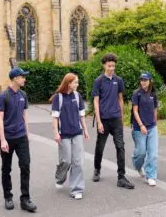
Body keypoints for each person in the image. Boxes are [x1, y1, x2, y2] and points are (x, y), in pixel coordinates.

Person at [0, 67, 38, 212]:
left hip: (21, 137)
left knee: (25, 165)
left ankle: (25, 199)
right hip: (7, 138)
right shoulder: (4, 96)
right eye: (22, 77)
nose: (24, 79)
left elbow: (24, 114)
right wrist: (2, 140)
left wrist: (27, 133)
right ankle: (8, 196)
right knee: (6, 168)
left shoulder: (23, 95)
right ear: (15, 79)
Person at [91, 53, 135, 189]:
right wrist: (98, 121)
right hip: (103, 120)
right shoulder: (98, 81)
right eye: (109, 66)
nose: (111, 68)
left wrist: (121, 118)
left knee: (120, 147)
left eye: (113, 66)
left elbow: (120, 99)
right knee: (100, 147)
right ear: (104, 65)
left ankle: (121, 177)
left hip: (116, 119)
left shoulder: (118, 80)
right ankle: (97, 169)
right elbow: (96, 102)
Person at [51, 73, 89, 199]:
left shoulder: (77, 96)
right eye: (75, 82)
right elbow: (55, 117)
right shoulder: (58, 97)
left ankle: (76, 189)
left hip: (77, 133)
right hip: (64, 134)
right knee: (66, 161)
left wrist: (85, 130)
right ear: (68, 83)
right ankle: (59, 178)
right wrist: (56, 133)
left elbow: (81, 115)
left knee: (78, 162)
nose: (77, 85)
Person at [131, 72, 159, 187]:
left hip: (152, 127)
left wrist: (155, 123)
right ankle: (137, 164)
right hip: (139, 128)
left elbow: (155, 110)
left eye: (145, 80)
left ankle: (151, 176)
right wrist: (141, 125)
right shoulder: (136, 94)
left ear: (150, 81)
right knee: (141, 153)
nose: (143, 82)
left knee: (152, 154)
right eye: (142, 80)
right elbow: (135, 111)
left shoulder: (153, 94)